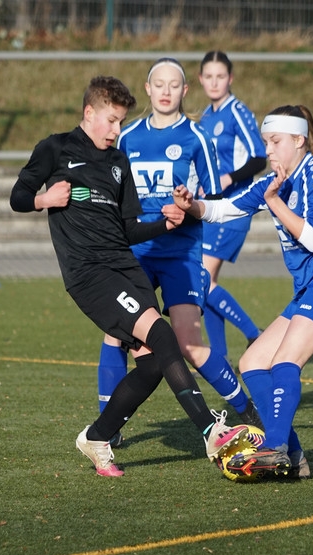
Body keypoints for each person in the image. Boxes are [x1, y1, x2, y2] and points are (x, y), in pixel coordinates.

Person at [9, 75, 249, 477]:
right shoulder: (55, 148)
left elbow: (127, 229)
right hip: (90, 274)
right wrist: (43, 199)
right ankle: (210, 430)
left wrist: (165, 225)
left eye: (121, 121)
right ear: (89, 113)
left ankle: (97, 436)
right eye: (111, 120)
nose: (117, 130)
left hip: (125, 267)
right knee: (163, 335)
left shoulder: (118, 162)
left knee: (152, 365)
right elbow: (17, 196)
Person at [173, 105, 313, 479]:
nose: (268, 150)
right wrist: (191, 205)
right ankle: (293, 454)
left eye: (275, 141)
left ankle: (274, 448)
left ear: (299, 140)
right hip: (311, 288)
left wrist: (274, 200)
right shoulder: (272, 182)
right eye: (265, 142)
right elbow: (224, 209)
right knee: (252, 363)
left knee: (284, 362)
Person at [96, 58, 261, 443]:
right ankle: (107, 426)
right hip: (136, 251)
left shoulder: (196, 136)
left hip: (181, 252)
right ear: (148, 89)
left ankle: (246, 409)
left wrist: (188, 206)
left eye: (174, 85)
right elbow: (114, 193)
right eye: (159, 84)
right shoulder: (128, 137)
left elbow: (212, 199)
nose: (166, 91)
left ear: (185, 91)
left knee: (188, 343)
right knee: (115, 333)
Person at [196, 50, 268, 358]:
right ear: (200, 79)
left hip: (233, 208)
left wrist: (228, 178)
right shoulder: (206, 116)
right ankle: (220, 357)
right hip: (211, 208)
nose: (214, 82)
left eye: (220, 76)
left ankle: (255, 335)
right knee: (207, 282)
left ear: (231, 79)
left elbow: (259, 158)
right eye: (209, 76)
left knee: (201, 279)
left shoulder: (237, 111)